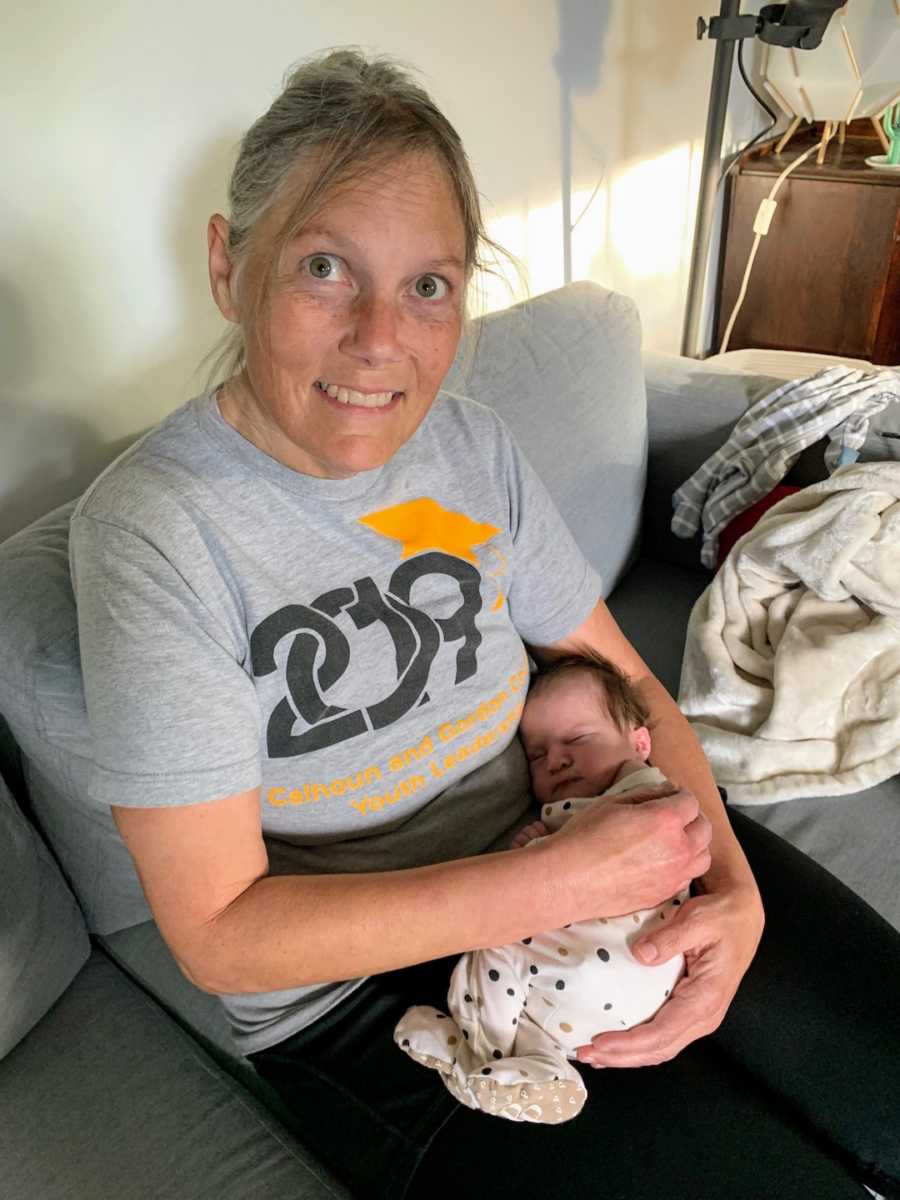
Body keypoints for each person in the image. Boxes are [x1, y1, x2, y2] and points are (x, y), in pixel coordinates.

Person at [69, 48, 900, 1200]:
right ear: (227, 263)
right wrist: (548, 889)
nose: (381, 340)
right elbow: (220, 934)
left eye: (429, 285)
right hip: (376, 1003)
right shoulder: (152, 534)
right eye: (324, 267)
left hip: (587, 840)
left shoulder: (471, 447)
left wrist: (730, 886)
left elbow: (625, 682)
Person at [394, 652, 689, 1125]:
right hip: (608, 1002)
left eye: (577, 738)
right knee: (508, 952)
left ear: (639, 743)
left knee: (495, 936)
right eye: (537, 754)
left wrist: (535, 856)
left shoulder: (642, 792)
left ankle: (475, 1062)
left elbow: (598, 850)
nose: (556, 759)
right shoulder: (584, 806)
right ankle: (542, 1068)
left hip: (615, 961)